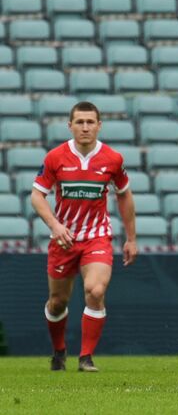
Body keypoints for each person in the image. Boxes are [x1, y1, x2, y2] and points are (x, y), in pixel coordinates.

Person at [31, 101, 137, 372]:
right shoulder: (55, 157)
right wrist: (55, 225)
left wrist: (131, 237)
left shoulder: (113, 159)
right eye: (80, 122)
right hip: (63, 239)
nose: (85, 127)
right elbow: (37, 195)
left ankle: (86, 357)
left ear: (99, 125)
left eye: (91, 122)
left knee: (96, 290)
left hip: (96, 238)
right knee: (58, 303)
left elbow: (124, 195)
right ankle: (59, 351)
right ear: (70, 126)